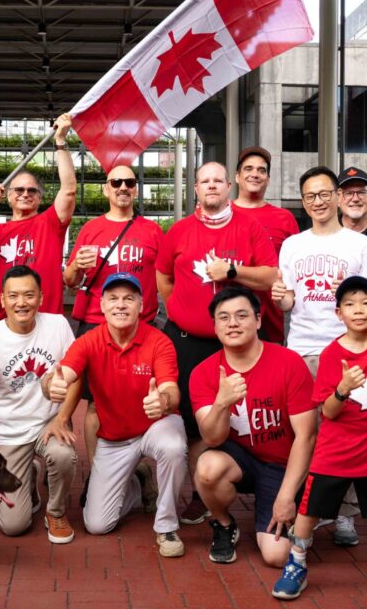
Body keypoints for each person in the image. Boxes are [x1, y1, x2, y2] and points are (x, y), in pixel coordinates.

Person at [156, 161, 278, 524]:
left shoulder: (250, 227)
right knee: (197, 422)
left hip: (240, 343)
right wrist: (180, 309)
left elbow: (270, 276)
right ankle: (201, 492)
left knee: (250, 414)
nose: (211, 186)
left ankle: (259, 483)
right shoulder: (178, 231)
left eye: (218, 181)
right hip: (190, 341)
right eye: (204, 181)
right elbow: (164, 276)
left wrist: (232, 272)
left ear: (229, 187)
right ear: (196, 188)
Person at [48, 273, 187, 558]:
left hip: (154, 426)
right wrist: (54, 383)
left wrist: (163, 400)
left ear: (141, 305)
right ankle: (136, 486)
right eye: (113, 299)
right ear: (102, 305)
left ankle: (167, 526)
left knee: (174, 446)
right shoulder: (89, 340)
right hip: (114, 438)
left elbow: (172, 390)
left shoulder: (159, 341)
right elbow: (66, 371)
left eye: (128, 299)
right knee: (97, 524)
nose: (120, 305)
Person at [273, 166, 367, 546]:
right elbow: (289, 299)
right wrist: (285, 300)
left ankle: (343, 515)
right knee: (305, 434)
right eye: (310, 196)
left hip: (347, 350)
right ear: (303, 201)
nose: (318, 201)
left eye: (325, 193)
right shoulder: (293, 245)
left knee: (343, 431)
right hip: (302, 349)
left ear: (337, 197)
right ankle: (302, 507)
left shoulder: (358, 244)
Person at [189, 286, 317, 567]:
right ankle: (224, 524)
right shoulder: (203, 373)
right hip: (241, 459)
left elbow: (307, 436)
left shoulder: (289, 363)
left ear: (258, 320)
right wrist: (222, 403)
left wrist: (285, 497)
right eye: (223, 317)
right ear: (215, 326)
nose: (232, 323)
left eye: (241, 315)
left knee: (276, 556)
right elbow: (211, 437)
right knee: (207, 468)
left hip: (282, 465)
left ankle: (288, 506)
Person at [63, 164, 163, 499]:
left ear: (136, 189)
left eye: (129, 182)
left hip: (142, 329)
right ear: (106, 189)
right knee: (94, 406)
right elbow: (69, 280)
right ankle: (97, 476)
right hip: (96, 325)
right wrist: (78, 265)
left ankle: (143, 469)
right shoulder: (91, 229)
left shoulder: (152, 231)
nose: (122, 187)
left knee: (141, 404)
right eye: (115, 182)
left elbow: (166, 278)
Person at [272, 275, 367, 600]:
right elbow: (328, 412)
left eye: (366, 303)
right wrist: (343, 388)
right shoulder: (331, 355)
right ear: (339, 313)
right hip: (336, 452)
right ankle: (296, 565)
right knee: (308, 512)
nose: (360, 310)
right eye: (351, 304)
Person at [0, 265, 78, 543]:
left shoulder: (58, 325)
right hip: (9, 431)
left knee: (64, 456)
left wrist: (62, 417)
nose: (22, 302)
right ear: (2, 300)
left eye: (29, 295)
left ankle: (55, 511)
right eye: (13, 296)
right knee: (13, 526)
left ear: (41, 297)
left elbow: (77, 374)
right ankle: (29, 474)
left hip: (47, 424)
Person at [0, 113, 77, 323]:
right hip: (3, 322)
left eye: (32, 191)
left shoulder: (50, 222)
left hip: (47, 320)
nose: (25, 194)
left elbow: (69, 190)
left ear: (40, 197)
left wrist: (61, 143)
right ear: (7, 197)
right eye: (18, 190)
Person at [233, 146, 299, 343]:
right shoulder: (221, 214)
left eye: (262, 170)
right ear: (237, 176)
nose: (255, 174)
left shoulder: (284, 218)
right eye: (248, 169)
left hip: (270, 323)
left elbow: (296, 270)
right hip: (227, 321)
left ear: (268, 179)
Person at [337, 166, 367, 235]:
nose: (355, 199)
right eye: (349, 193)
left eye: (361, 192)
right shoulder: (327, 232)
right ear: (338, 199)